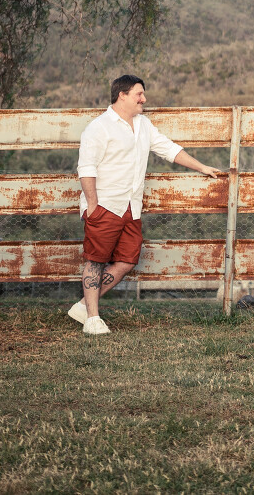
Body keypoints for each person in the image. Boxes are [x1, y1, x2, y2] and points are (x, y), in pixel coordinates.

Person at [68, 74, 222, 335]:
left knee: (127, 261)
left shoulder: (143, 125)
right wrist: (93, 206)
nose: (144, 99)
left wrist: (202, 167)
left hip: (131, 207)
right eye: (139, 94)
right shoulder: (99, 127)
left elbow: (169, 149)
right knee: (95, 261)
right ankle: (93, 319)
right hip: (105, 205)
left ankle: (84, 306)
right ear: (122, 95)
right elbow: (86, 168)